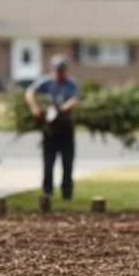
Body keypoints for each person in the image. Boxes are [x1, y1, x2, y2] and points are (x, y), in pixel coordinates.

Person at [25, 55, 83, 200]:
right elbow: (30, 92)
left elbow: (76, 98)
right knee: (48, 161)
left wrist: (65, 107)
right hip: (50, 129)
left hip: (66, 127)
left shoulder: (71, 83)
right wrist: (35, 108)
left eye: (62, 70)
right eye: (57, 70)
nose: (59, 73)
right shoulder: (46, 82)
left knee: (67, 162)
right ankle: (47, 192)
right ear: (52, 69)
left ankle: (67, 193)